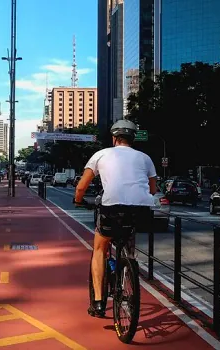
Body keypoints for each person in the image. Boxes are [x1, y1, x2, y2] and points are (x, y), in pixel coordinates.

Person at [73, 119, 157, 318]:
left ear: (114, 138)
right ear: (132, 139)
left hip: (112, 208)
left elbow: (81, 187)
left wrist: (78, 200)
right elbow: (153, 189)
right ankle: (129, 265)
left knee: (100, 249)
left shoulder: (100, 154)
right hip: (142, 210)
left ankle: (99, 302)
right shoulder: (145, 158)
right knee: (129, 233)